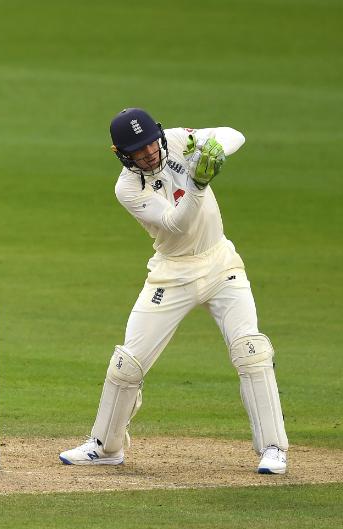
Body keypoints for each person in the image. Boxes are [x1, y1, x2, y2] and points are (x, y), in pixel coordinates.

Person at [59, 108, 290, 474]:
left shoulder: (180, 140)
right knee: (127, 363)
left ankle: (274, 448)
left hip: (221, 263)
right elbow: (175, 224)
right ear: (122, 154)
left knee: (251, 351)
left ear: (160, 136)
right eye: (138, 151)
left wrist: (213, 148)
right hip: (172, 273)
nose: (149, 154)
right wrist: (198, 185)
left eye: (151, 144)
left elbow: (234, 133)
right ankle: (106, 446)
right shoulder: (128, 188)